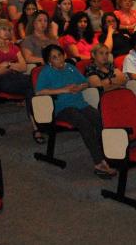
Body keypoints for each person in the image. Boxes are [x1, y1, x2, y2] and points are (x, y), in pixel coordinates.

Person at [35, 44, 117, 178]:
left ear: (64, 55)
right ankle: (99, 163)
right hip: (62, 107)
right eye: (54, 58)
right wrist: (64, 90)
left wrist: (79, 88)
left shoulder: (70, 68)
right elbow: (39, 92)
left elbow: (86, 83)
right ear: (49, 61)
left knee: (99, 119)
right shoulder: (46, 72)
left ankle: (108, 154)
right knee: (84, 123)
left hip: (80, 103)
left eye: (60, 56)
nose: (59, 59)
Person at [0, 21, 43, 142]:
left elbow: (24, 67)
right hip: (0, 81)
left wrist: (8, 64)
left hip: (17, 77)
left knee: (33, 87)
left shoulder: (14, 47)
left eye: (9, 30)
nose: (7, 32)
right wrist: (12, 65)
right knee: (33, 86)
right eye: (4, 29)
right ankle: (38, 124)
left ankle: (37, 126)